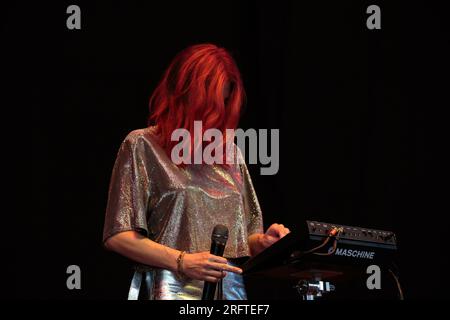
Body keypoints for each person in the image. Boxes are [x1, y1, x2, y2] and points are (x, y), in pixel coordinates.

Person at [102, 43, 290, 300]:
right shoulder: (142, 145)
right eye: (211, 104)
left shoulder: (230, 153)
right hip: (172, 288)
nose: (217, 114)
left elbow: (247, 235)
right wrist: (182, 260)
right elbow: (118, 235)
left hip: (229, 290)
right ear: (183, 92)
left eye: (224, 104)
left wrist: (263, 242)